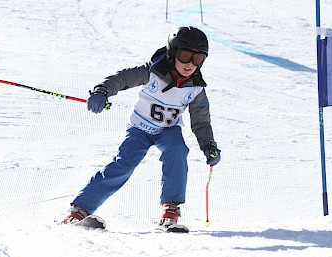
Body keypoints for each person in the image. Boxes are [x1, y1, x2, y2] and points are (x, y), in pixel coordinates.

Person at [62, 26, 221, 228]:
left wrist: (209, 145)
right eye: (185, 56)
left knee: (177, 150)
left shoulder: (196, 88)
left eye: (197, 59)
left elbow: (201, 121)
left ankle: (170, 208)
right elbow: (122, 79)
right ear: (173, 53)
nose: (190, 64)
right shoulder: (152, 72)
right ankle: (80, 209)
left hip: (168, 130)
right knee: (123, 165)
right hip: (140, 129)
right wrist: (102, 90)